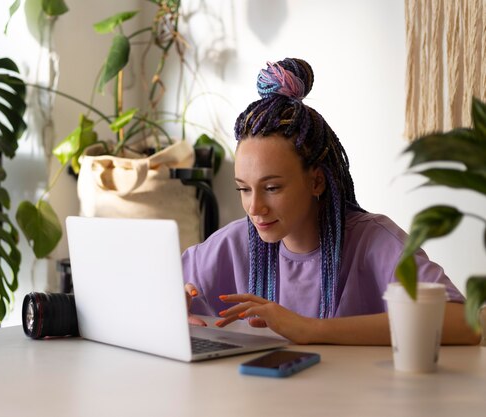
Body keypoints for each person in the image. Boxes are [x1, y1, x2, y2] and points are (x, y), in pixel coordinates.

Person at [183, 57, 480, 345]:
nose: (254, 208)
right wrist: (169, 303)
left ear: (316, 181)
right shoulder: (233, 243)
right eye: (244, 190)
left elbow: (465, 323)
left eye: (272, 188)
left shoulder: (373, 241)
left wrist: (309, 329)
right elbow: (150, 289)